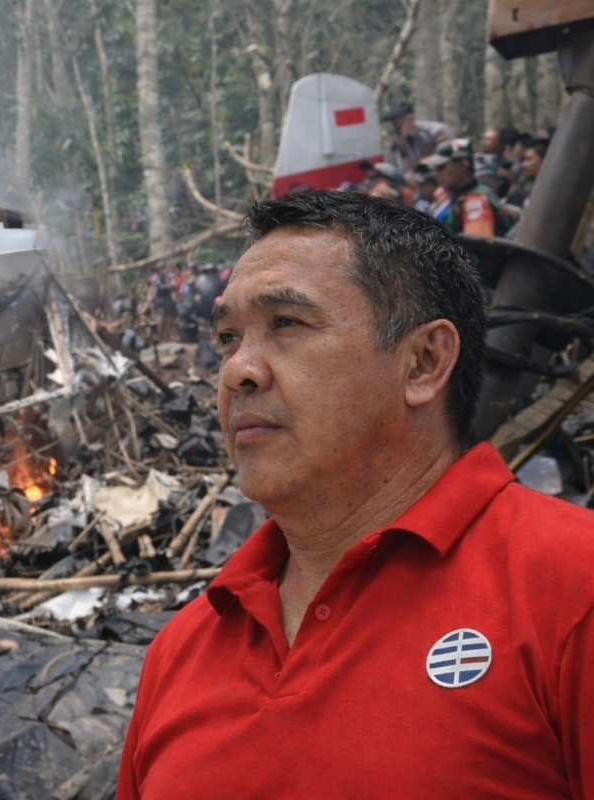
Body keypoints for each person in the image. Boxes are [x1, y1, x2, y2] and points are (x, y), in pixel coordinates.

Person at [117, 191, 594, 798]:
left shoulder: (571, 589)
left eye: (286, 323)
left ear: (424, 362)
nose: (238, 370)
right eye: (228, 337)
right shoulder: (182, 651)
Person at [427, 138, 511, 237]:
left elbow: (478, 244)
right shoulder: (453, 196)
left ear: (463, 166)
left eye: (441, 167)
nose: (436, 173)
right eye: (435, 168)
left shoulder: (476, 201)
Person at [382, 101, 454, 181]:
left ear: (411, 117)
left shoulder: (436, 131)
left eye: (399, 120)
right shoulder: (395, 146)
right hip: (417, 184)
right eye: (394, 121)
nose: (396, 124)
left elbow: (452, 156)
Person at [505, 138, 548, 212]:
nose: (524, 164)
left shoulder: (548, 189)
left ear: (544, 160)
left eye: (529, 159)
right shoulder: (523, 183)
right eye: (524, 159)